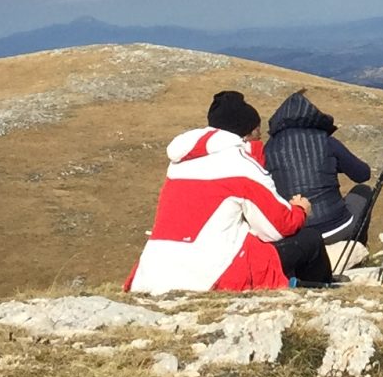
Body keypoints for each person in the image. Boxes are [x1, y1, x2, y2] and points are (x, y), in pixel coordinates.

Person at [127, 90, 313, 294]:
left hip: (153, 272)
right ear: (246, 133)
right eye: (257, 132)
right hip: (210, 274)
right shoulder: (241, 166)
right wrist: (299, 209)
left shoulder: (179, 164)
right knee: (309, 240)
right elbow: (276, 228)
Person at [263, 88, 375, 285]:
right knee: (364, 192)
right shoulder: (325, 141)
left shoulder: (269, 148)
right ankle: (356, 245)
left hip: (296, 232)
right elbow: (362, 175)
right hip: (336, 227)